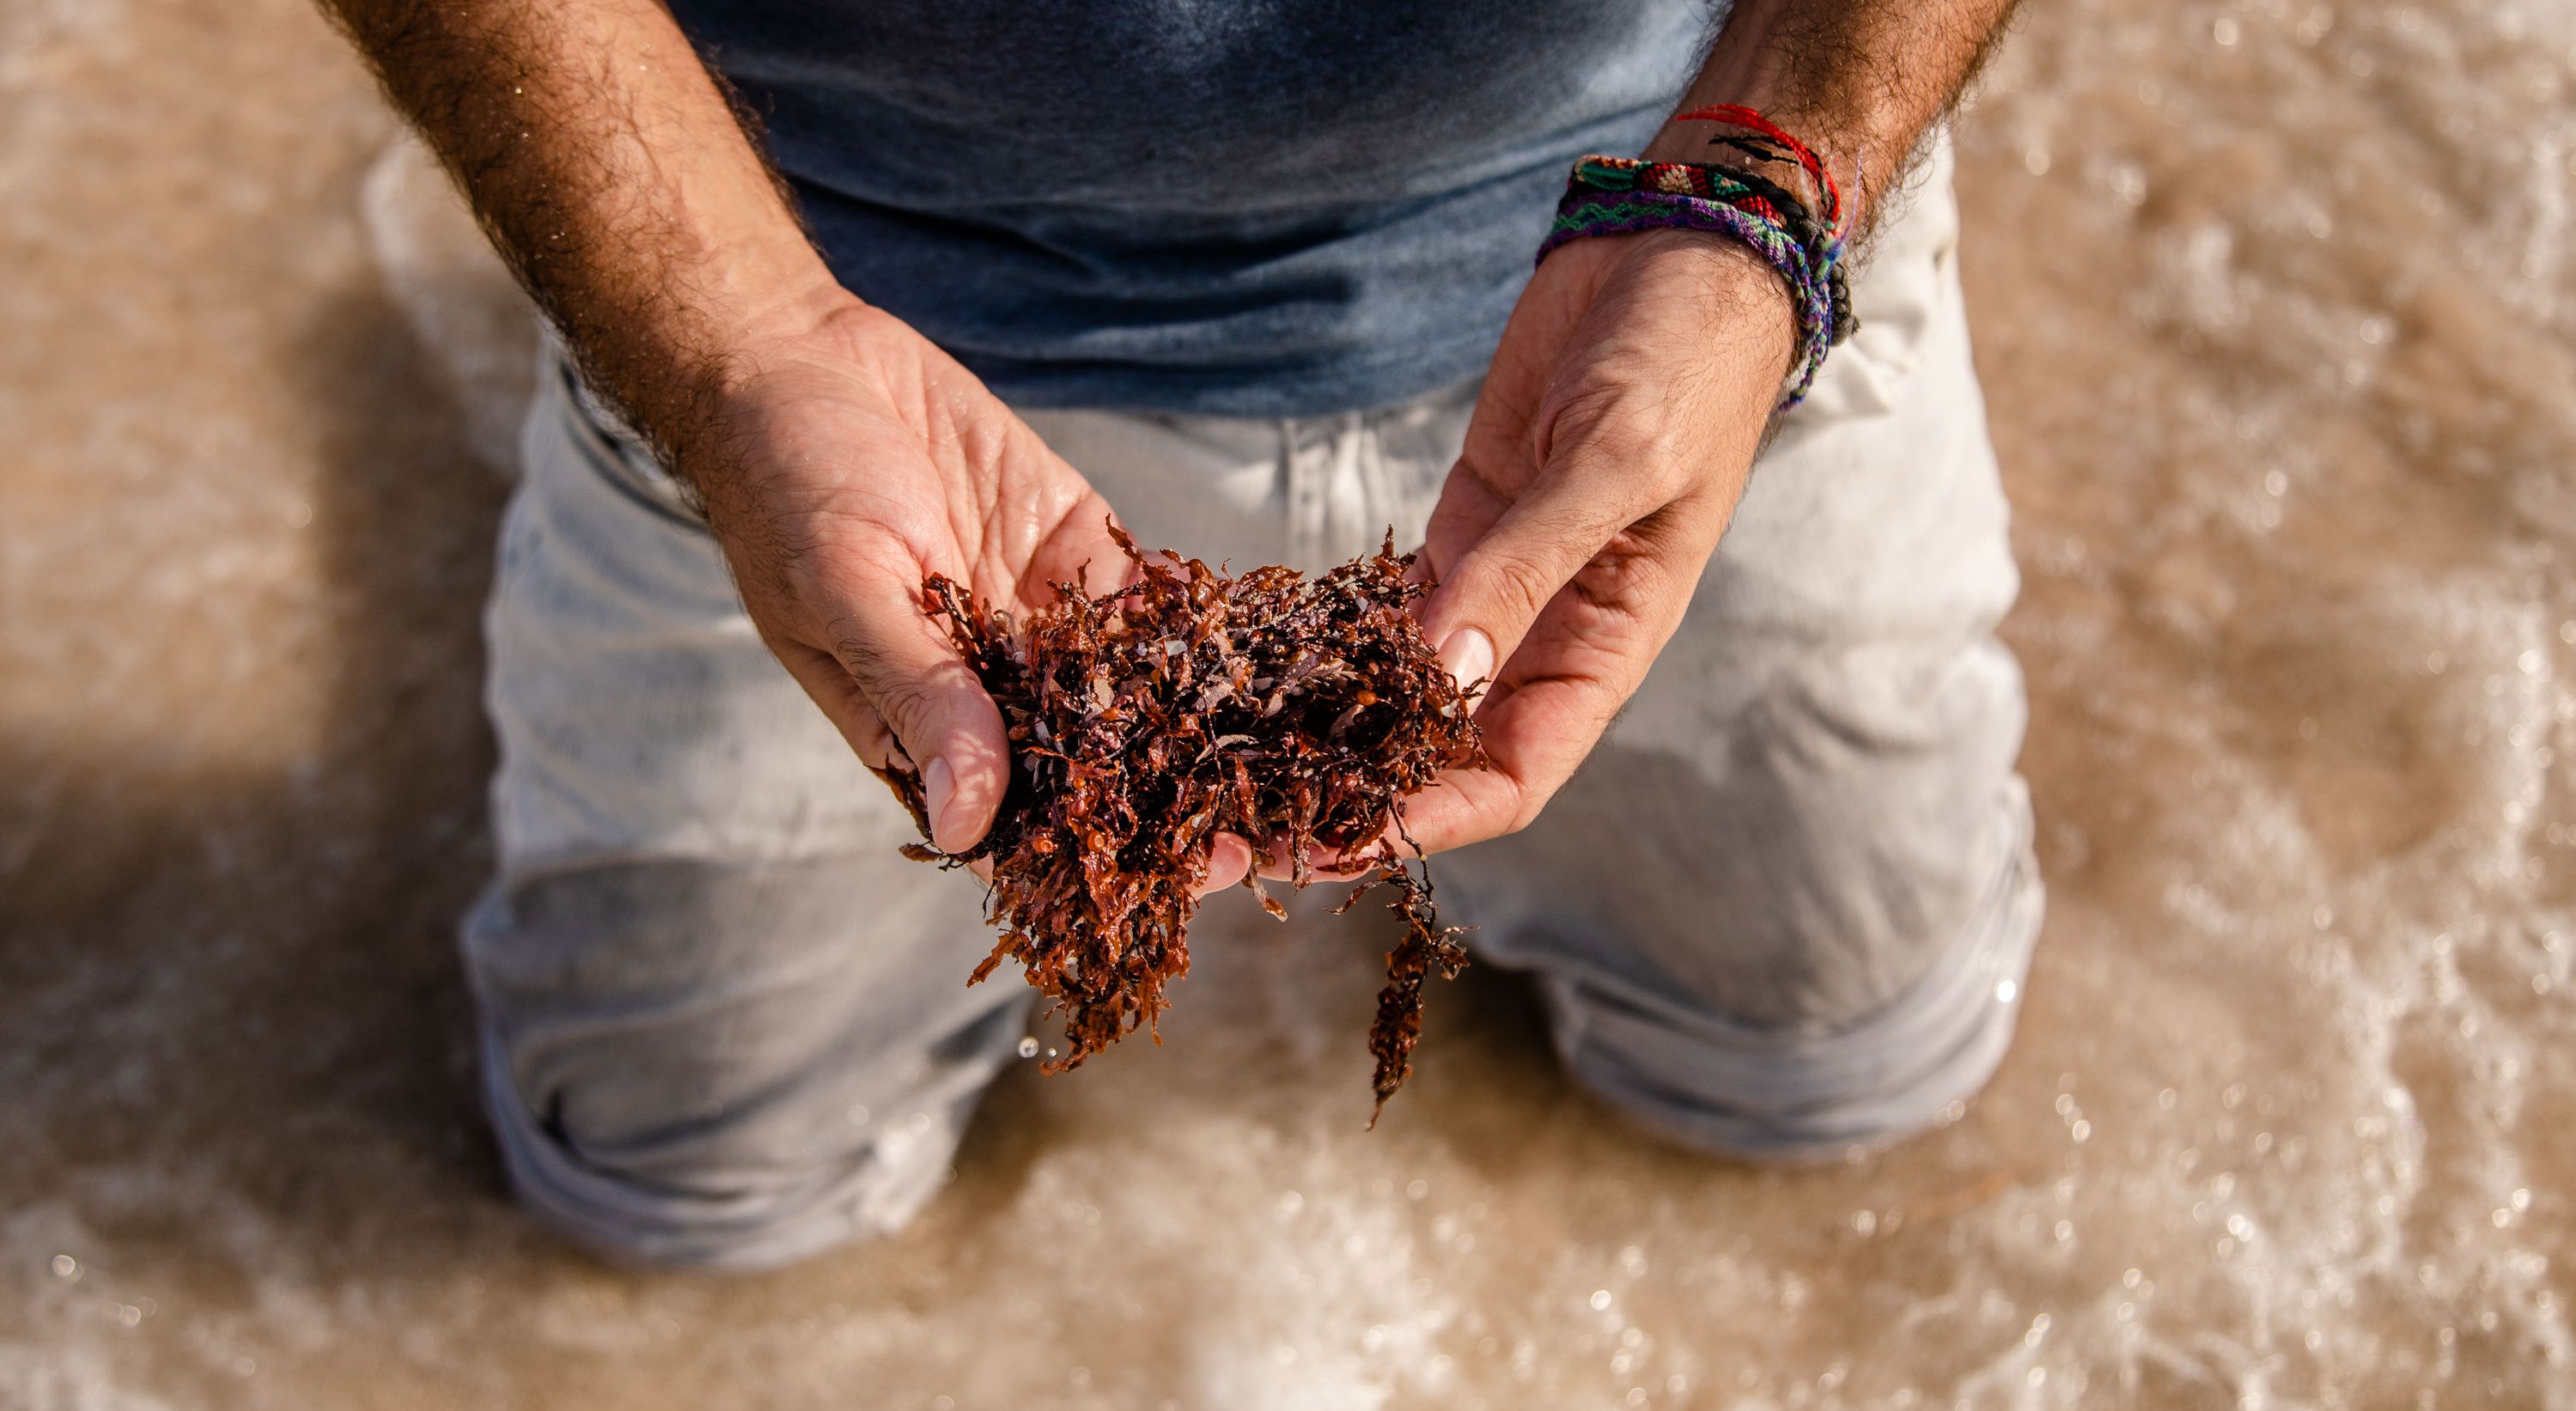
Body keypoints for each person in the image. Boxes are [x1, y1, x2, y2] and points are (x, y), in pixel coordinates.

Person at [321, 0, 2041, 1269]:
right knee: (675, 1194)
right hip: (817, 315)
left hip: (1685, 252)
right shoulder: (757, 335)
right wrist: (720, 343)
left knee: (1840, 1080)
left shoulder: (1736, 219)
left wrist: (1762, 198)